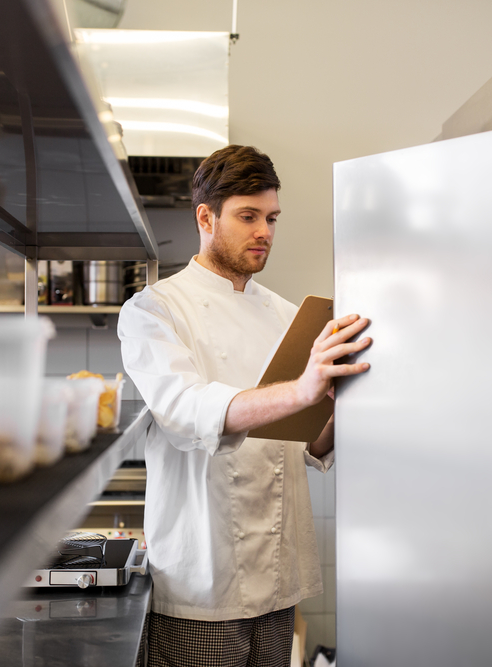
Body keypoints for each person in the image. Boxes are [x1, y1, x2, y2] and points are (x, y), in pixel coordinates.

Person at [117, 144, 371, 667]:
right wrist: (302, 388)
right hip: (201, 586)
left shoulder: (286, 313)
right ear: (205, 218)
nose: (265, 232)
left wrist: (348, 406)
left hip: (278, 582)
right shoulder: (154, 309)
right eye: (248, 217)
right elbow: (185, 410)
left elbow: (304, 441)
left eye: (272, 218)